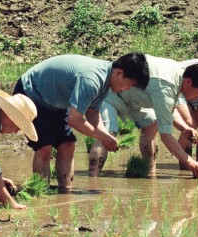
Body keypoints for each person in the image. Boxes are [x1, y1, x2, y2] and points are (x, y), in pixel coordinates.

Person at [15, 53, 149, 192]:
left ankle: (65, 191)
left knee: (68, 144)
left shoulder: (106, 82)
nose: (127, 89)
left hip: (55, 102)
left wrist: (107, 137)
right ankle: (41, 192)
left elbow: (93, 113)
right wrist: (102, 137)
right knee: (45, 147)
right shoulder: (92, 80)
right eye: (129, 85)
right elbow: (75, 120)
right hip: (31, 93)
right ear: (119, 73)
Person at [88, 58, 198, 179]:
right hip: (110, 92)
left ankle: (149, 172)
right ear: (189, 82)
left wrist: (184, 128)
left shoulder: (180, 74)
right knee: (107, 133)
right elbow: (166, 136)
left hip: (132, 99)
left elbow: (167, 110)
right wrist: (189, 162)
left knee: (152, 123)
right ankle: (93, 181)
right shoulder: (167, 85)